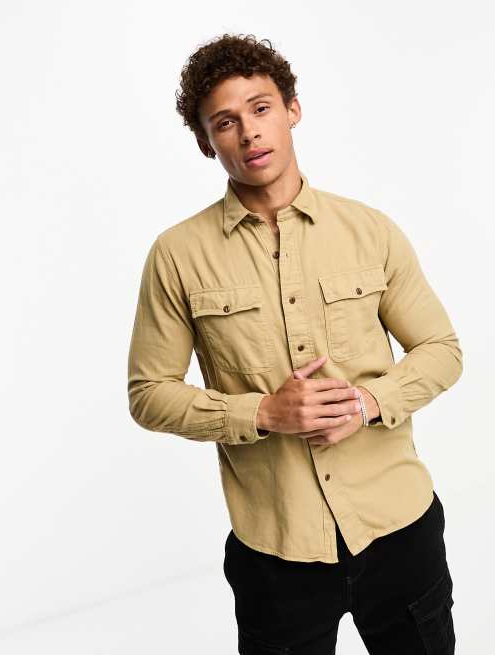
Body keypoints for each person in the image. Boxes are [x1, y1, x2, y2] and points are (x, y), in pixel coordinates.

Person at [127, 32, 462, 654]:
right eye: (225, 122)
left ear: (292, 110)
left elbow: (442, 349)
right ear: (206, 142)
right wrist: (262, 412)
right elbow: (148, 394)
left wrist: (367, 402)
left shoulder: (370, 231)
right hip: (276, 552)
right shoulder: (176, 256)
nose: (249, 132)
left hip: (399, 528)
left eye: (261, 108)